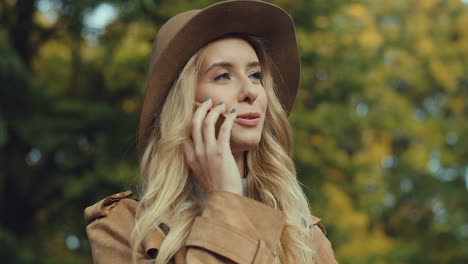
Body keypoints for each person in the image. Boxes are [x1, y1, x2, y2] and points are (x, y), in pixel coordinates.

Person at [84, 0, 338, 263]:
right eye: (223, 76)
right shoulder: (121, 226)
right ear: (181, 102)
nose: (251, 91)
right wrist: (225, 199)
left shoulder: (303, 234)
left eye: (255, 75)